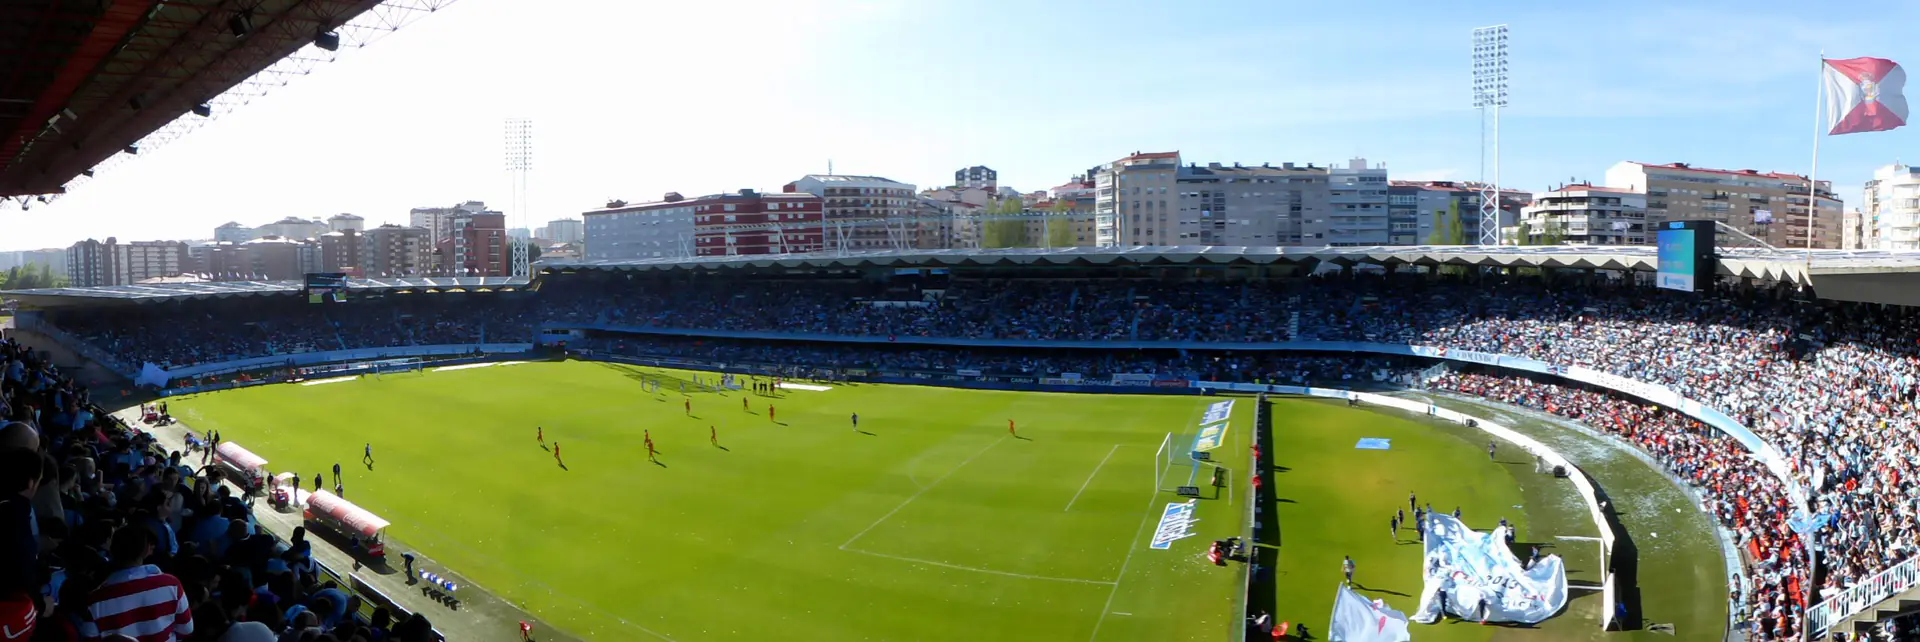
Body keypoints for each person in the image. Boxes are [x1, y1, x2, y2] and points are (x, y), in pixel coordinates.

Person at [77, 527, 193, 641]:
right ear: (147, 549)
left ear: (112, 551)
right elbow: (186, 630)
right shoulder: (171, 584)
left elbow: (90, 638)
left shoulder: (95, 601)